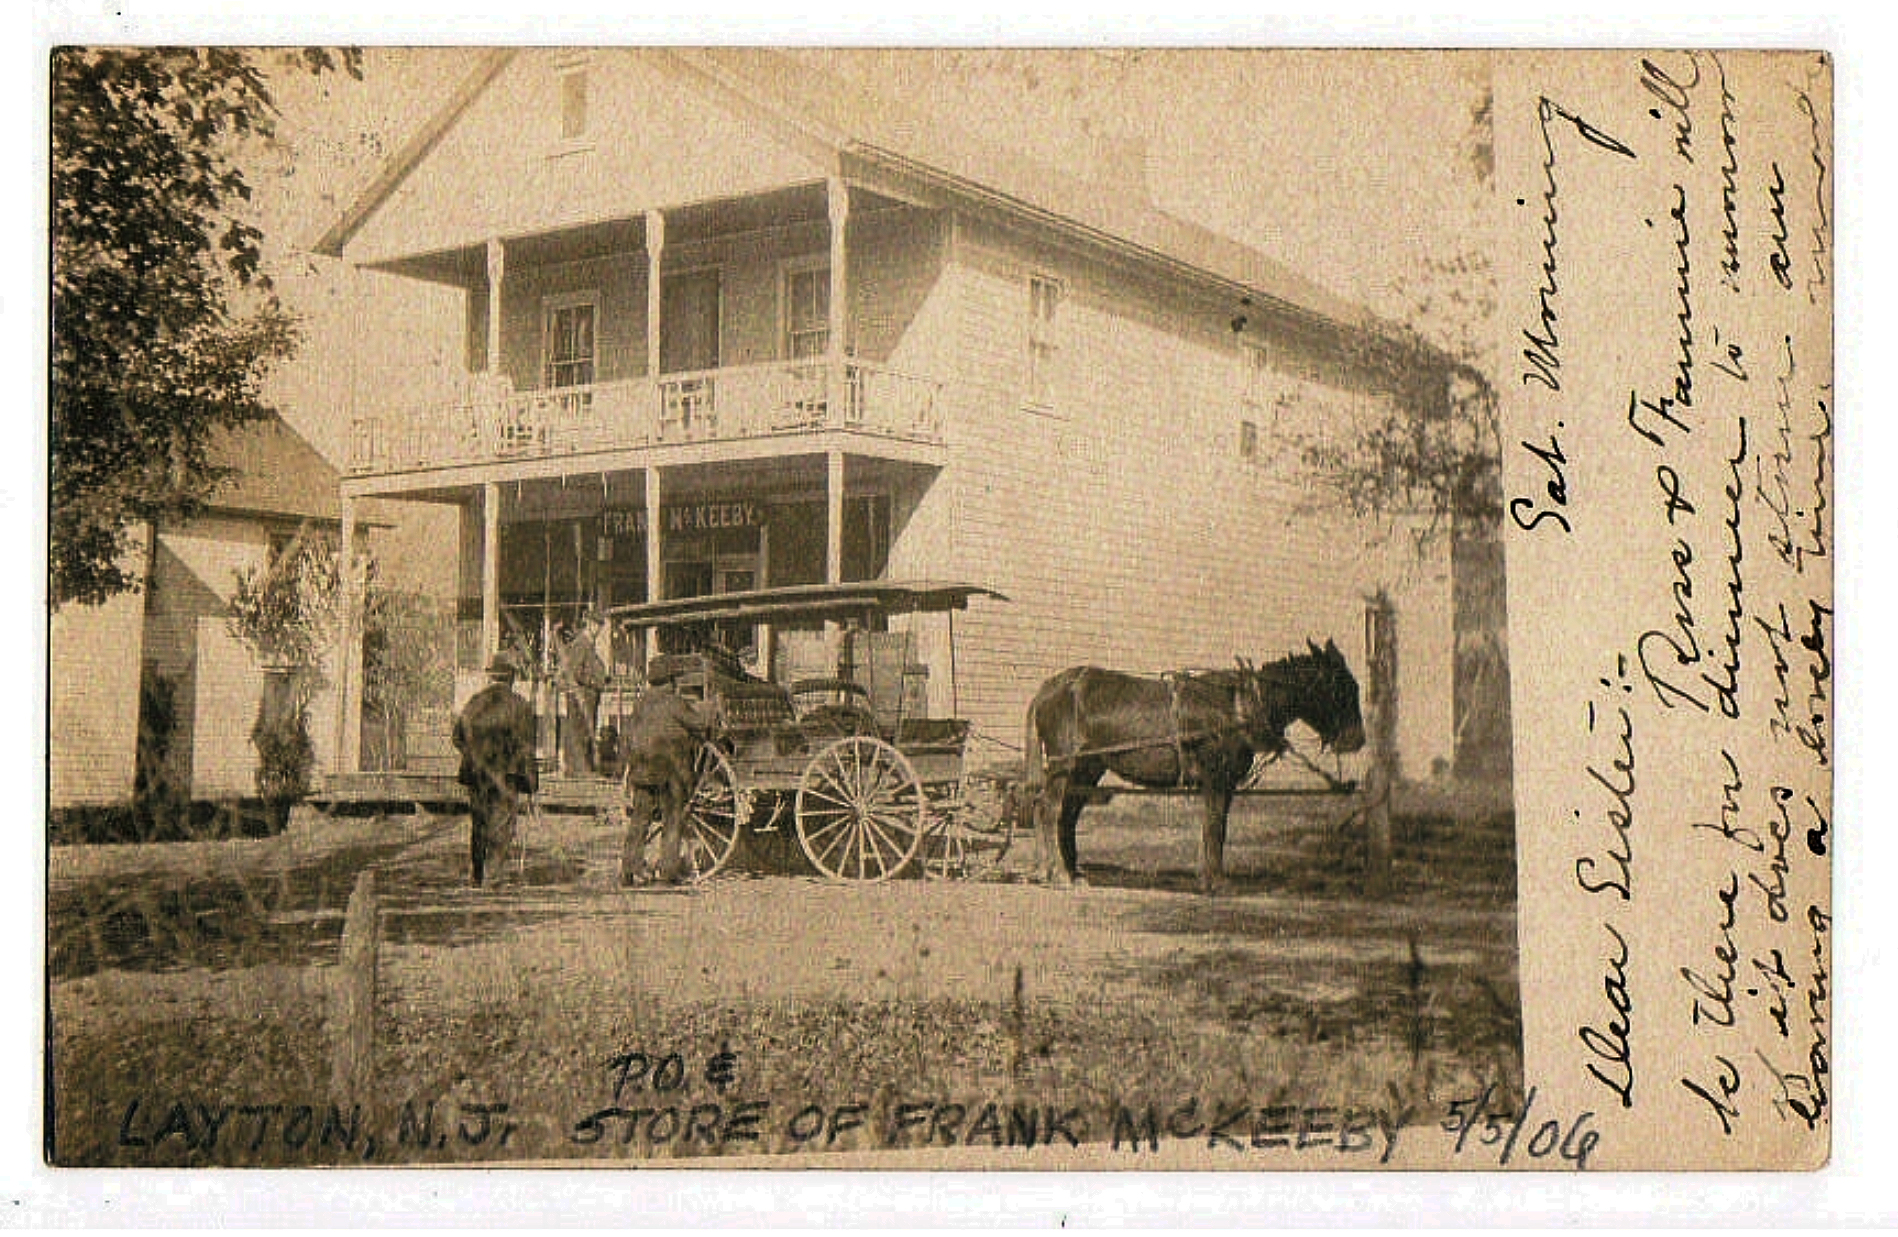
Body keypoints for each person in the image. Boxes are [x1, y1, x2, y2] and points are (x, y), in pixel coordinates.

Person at [453, 656, 539, 888]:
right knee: (501, 824)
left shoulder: (474, 703)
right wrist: (531, 782)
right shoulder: (521, 706)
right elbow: (527, 747)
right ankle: (495, 876)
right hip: (506, 775)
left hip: (478, 773)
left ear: (492, 677)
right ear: (511, 678)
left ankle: (477, 874)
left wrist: (473, 755)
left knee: (479, 822)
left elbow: (457, 737)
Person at [556, 610, 610, 776]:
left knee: (585, 731)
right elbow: (576, 672)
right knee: (579, 731)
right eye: (598, 626)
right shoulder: (582, 643)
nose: (599, 630)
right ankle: (578, 769)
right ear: (591, 625)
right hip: (582, 696)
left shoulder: (587, 644)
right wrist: (594, 682)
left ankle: (581, 768)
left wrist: (603, 678)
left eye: (600, 627)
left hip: (587, 696)